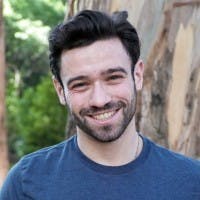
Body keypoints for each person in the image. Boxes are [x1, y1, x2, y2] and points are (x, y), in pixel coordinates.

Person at [1, 10, 200, 200]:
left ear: (137, 75)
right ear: (60, 90)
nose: (100, 100)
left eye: (113, 78)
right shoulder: (26, 183)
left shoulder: (192, 182)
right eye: (80, 84)